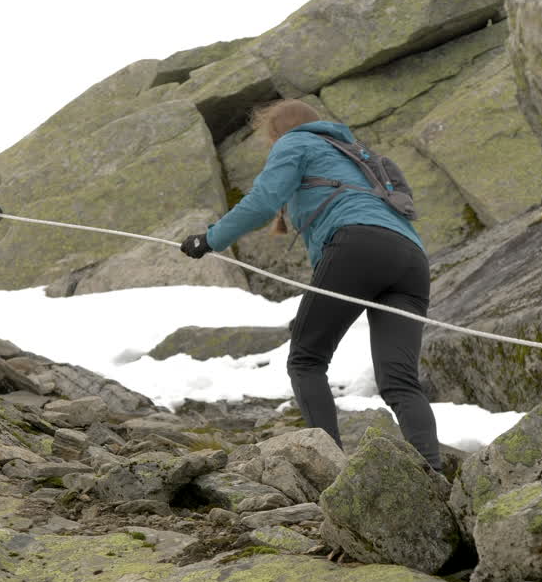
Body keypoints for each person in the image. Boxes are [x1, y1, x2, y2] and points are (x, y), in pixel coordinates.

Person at [179, 99, 441, 471]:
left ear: (277, 133)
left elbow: (263, 202)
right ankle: (432, 475)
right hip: (411, 260)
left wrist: (209, 240)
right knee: (400, 381)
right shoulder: (358, 157)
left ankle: (331, 469)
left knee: (306, 360)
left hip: (356, 246)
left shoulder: (296, 142)